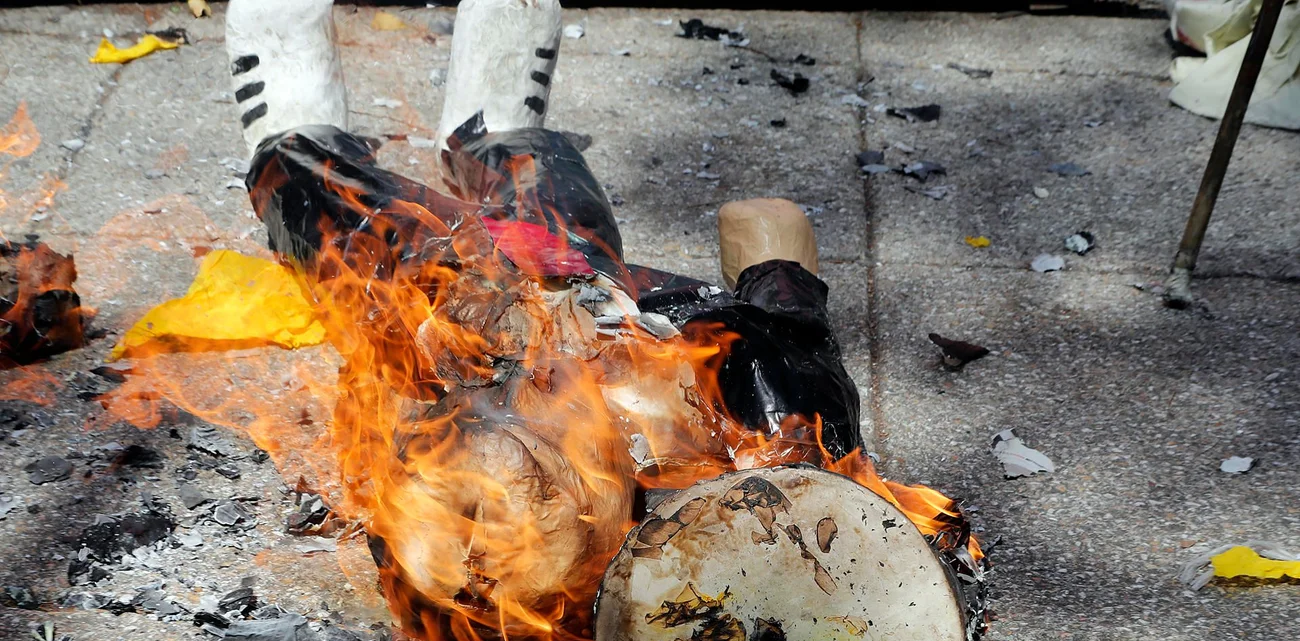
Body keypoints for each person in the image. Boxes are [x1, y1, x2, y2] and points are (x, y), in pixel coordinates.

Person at [226, 0, 864, 463]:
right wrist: (777, 280)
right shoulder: (786, 424)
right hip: (600, 289)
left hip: (461, 309)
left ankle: (294, 139)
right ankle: (493, 132)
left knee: (351, 223)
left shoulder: (503, 509)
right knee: (563, 213)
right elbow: (768, 233)